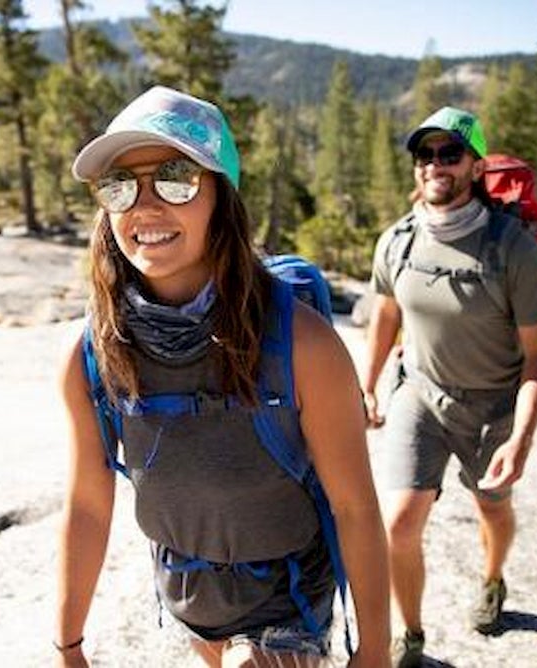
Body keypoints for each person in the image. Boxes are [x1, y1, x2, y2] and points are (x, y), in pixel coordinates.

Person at [56, 85, 390, 667]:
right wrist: (67, 645)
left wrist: (376, 650)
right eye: (119, 185)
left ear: (222, 197)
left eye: (175, 178)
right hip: (189, 595)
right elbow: (88, 504)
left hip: (286, 599)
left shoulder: (303, 343)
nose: (145, 205)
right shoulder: (93, 352)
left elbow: (355, 507)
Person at [360, 107, 537, 666]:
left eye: (450, 153)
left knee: (492, 509)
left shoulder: (513, 249)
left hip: (494, 408)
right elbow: (384, 314)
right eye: (426, 154)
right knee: (398, 526)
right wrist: (370, 384)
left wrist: (520, 438)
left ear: (476, 165)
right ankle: (413, 636)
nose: (435, 165)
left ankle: (493, 580)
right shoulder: (396, 241)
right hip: (420, 397)